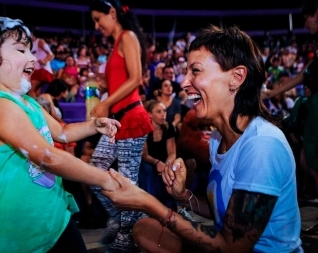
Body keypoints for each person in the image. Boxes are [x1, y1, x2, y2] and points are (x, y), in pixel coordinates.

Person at [103, 25, 303, 253]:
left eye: (195, 71)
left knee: (151, 224)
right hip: (224, 242)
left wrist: (148, 203)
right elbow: (223, 210)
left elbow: (232, 246)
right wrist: (183, 195)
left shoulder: (262, 145)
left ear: (236, 77)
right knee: (145, 229)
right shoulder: (218, 139)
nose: (185, 82)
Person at [0, 15, 121, 252]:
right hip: (19, 231)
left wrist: (93, 125)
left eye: (30, 50)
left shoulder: (25, 101)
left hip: (53, 218)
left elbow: (62, 132)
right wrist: (106, 180)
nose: (33, 58)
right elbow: (48, 156)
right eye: (21, 50)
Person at [89, 1, 153, 252]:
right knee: (95, 170)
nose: (96, 26)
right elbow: (123, 81)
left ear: (112, 13)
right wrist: (106, 87)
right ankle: (123, 220)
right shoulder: (117, 42)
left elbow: (136, 78)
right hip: (119, 119)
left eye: (98, 19)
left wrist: (106, 103)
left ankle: (127, 236)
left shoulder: (128, 36)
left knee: (127, 181)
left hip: (131, 118)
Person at [262, 0, 318, 201]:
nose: (305, 25)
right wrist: (270, 93)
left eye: (307, 19)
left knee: (310, 159)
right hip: (312, 104)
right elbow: (302, 75)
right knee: (306, 159)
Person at [139, 100, 177, 210]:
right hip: (149, 161)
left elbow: (172, 153)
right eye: (158, 112)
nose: (163, 115)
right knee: (148, 170)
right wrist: (157, 163)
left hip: (164, 160)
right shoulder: (144, 128)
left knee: (172, 168)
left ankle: (171, 207)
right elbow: (144, 155)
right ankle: (152, 207)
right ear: (150, 114)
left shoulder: (168, 127)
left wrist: (167, 165)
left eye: (164, 111)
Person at [28, 27, 54, 97]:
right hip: (35, 71)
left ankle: (33, 107)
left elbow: (51, 54)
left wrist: (44, 61)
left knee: (31, 90)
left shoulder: (40, 41)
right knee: (37, 93)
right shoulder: (29, 45)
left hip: (43, 71)